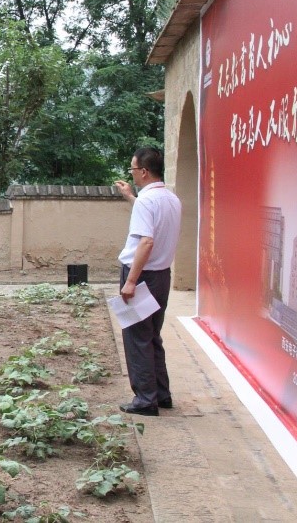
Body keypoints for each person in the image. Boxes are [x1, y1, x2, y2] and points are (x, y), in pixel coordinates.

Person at [113, 146, 182, 417]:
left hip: (142, 275)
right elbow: (152, 221)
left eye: (132, 169)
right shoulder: (170, 198)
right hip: (161, 276)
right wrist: (131, 197)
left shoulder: (147, 201)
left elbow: (146, 241)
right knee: (152, 335)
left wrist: (131, 281)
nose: (131, 174)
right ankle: (161, 394)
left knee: (137, 337)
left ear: (143, 171)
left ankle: (145, 400)